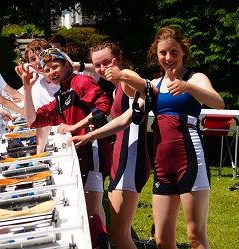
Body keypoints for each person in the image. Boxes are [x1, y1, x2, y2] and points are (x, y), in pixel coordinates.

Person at [111, 26, 225, 249]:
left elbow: (218, 102)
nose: (169, 57)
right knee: (162, 240)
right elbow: (128, 108)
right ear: (157, 54)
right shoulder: (154, 86)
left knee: (195, 237)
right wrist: (90, 135)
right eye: (163, 53)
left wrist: (188, 87)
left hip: (190, 160)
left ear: (183, 51)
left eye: (174, 52)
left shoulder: (196, 78)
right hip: (162, 165)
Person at [68, 41, 151, 249]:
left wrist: (90, 136)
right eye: (97, 66)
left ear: (119, 60)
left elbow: (145, 86)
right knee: (117, 232)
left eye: (107, 63)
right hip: (121, 158)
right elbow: (117, 123)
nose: (102, 69)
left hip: (131, 159)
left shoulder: (127, 82)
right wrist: (77, 65)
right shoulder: (116, 92)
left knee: (119, 233)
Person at [20, 47, 113, 231]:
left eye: (55, 67)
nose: (52, 73)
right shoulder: (61, 95)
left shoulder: (80, 81)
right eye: (46, 70)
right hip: (80, 158)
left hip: (92, 155)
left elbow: (103, 106)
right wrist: (27, 89)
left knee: (91, 217)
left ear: (65, 65)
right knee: (91, 215)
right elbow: (32, 121)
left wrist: (74, 127)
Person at [15, 39, 60, 154]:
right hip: (49, 130)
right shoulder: (36, 80)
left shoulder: (61, 77)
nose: (38, 62)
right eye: (33, 59)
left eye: (41, 56)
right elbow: (40, 123)